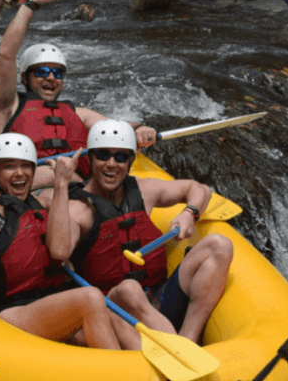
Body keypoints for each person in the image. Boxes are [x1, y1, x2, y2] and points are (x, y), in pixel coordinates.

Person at [45, 119, 233, 349]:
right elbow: (58, 250)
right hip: (115, 312)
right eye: (103, 155)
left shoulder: (144, 190)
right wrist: (61, 185)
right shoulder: (79, 209)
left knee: (219, 245)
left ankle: (188, 340)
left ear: (131, 160)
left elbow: (199, 189)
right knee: (128, 289)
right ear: (90, 159)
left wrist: (189, 213)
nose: (111, 164)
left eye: (121, 157)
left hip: (157, 298)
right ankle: (178, 351)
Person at [0, 133, 121, 350]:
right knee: (92, 297)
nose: (19, 173)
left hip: (46, 301)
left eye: (26, 166)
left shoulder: (37, 202)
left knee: (112, 315)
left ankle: (157, 369)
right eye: (9, 166)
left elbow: (60, 251)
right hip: (12, 310)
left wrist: (62, 183)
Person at [0, 0, 160, 190]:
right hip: (28, 193)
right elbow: (6, 54)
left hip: (74, 193)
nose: (50, 77)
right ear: (24, 77)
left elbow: (115, 127)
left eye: (57, 74)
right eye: (41, 71)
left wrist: (138, 130)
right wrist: (30, 4)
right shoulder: (8, 107)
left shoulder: (78, 114)